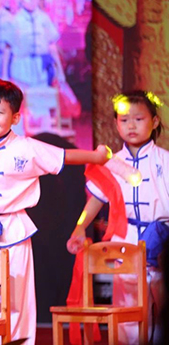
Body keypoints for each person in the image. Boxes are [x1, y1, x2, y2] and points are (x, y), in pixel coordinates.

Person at [0, 79, 109, 344]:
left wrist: (96, 157)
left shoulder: (27, 147)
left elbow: (63, 156)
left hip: (13, 231)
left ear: (15, 117)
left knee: (15, 300)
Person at [66, 90, 168, 344]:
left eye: (138, 119)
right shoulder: (111, 163)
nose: (131, 125)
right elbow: (96, 199)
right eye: (124, 120)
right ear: (116, 123)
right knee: (126, 305)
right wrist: (80, 227)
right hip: (125, 239)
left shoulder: (165, 161)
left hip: (162, 239)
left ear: (154, 121)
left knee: (163, 305)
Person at [8, 0, 65, 88]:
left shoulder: (44, 18)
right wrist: (5, 74)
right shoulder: (15, 21)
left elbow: (52, 46)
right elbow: (8, 48)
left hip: (41, 71)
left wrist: (60, 71)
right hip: (21, 72)